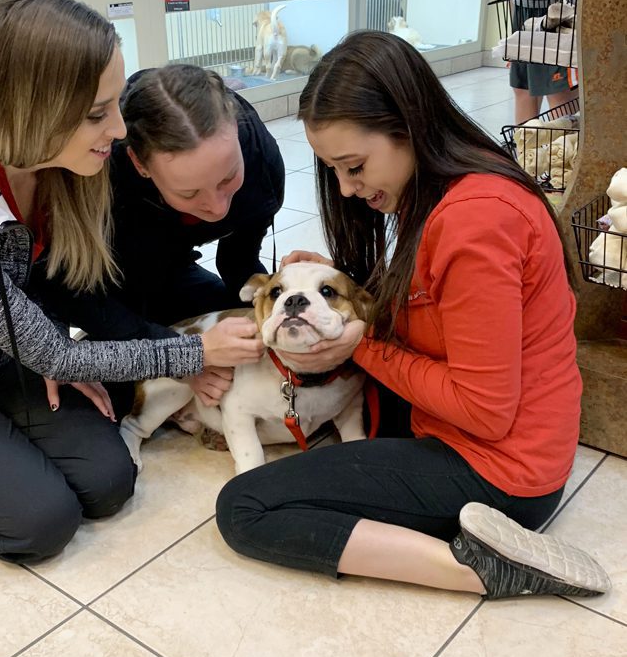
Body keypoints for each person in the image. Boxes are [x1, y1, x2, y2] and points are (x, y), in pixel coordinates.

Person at [0, 0, 263, 563]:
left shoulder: (58, 155)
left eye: (115, 102)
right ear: (35, 109)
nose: (119, 131)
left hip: (6, 352)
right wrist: (193, 352)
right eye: (98, 113)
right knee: (40, 524)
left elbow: (56, 299)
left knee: (108, 482)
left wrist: (41, 348)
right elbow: (60, 356)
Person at [215, 31, 611, 600]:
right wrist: (341, 288)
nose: (348, 190)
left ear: (408, 126)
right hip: (495, 445)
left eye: (354, 166)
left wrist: (361, 347)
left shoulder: (475, 222)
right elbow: (441, 307)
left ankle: (480, 568)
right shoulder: (454, 192)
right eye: (334, 172)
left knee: (245, 506)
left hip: (501, 473)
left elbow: (485, 410)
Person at [32, 64, 284, 332]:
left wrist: (278, 299)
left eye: (227, 178)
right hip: (107, 281)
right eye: (189, 192)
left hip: (171, 264)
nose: (217, 207)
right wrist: (178, 354)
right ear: (140, 165)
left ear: (234, 127)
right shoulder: (102, 179)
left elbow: (237, 260)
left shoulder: (259, 159)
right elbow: (70, 291)